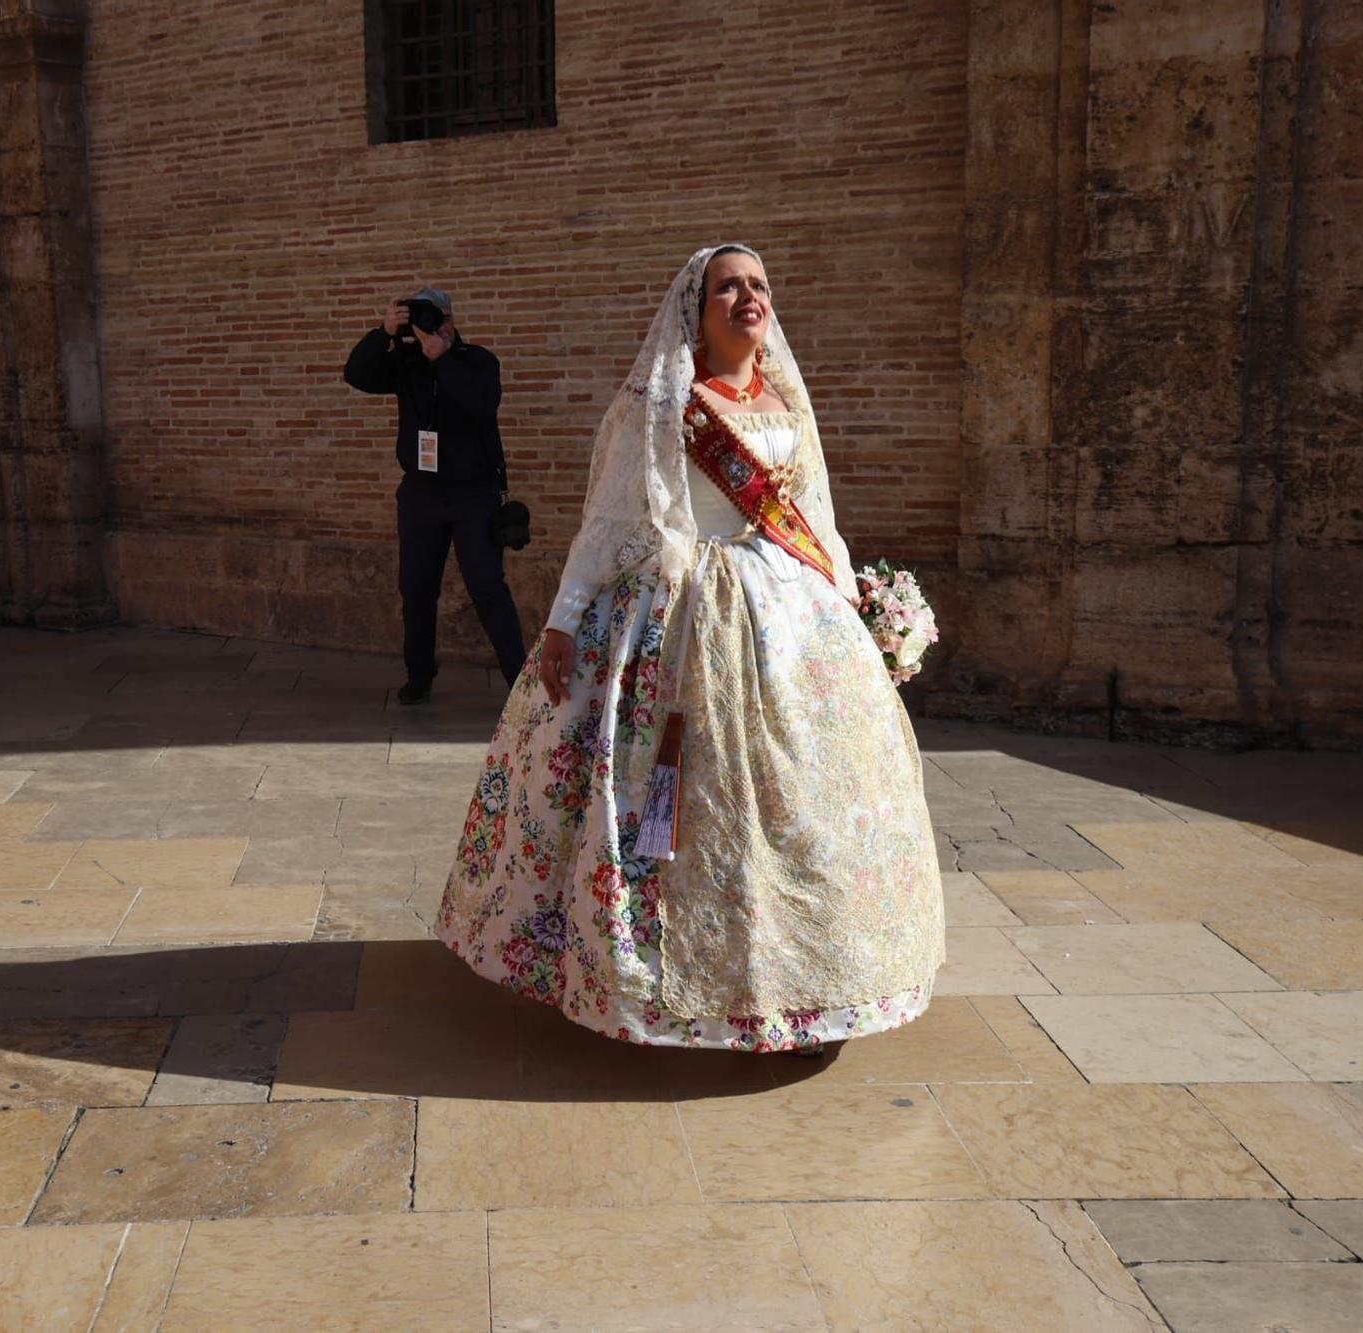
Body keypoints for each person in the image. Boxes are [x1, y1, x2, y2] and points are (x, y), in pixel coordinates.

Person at [436, 245, 944, 1053]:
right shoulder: (663, 403)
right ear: (694, 308)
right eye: (728, 286)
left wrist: (858, 605)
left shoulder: (784, 398)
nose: (748, 296)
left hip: (791, 617)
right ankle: (667, 986)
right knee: (685, 807)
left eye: (760, 285)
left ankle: (821, 979)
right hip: (682, 613)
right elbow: (608, 521)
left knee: (812, 799)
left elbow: (814, 513)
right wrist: (566, 618)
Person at [345, 286, 526, 704]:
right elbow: (357, 375)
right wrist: (383, 333)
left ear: (451, 319)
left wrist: (442, 358)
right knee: (417, 588)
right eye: (421, 317)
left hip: (473, 496)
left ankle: (521, 685)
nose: (432, 325)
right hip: (420, 496)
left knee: (488, 588)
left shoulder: (477, 361)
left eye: (438, 317)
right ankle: (419, 675)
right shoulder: (405, 363)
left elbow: (481, 403)